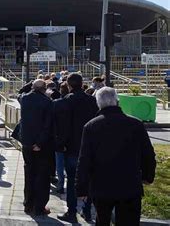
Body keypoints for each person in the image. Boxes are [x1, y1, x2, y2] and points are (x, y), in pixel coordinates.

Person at [76, 87, 156, 225]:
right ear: (117, 101)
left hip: (102, 185)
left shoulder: (91, 126)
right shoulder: (135, 124)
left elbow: (84, 159)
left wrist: (81, 187)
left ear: (98, 103)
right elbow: (148, 154)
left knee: (102, 220)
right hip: (130, 184)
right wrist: (148, 176)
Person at [56, 73, 99, 223]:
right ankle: (87, 211)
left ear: (68, 85)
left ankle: (72, 211)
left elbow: (62, 126)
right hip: (90, 146)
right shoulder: (92, 101)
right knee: (89, 180)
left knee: (73, 180)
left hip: (72, 147)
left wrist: (60, 144)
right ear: (82, 84)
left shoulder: (66, 101)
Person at [19, 79, 53, 216]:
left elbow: (20, 92)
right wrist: (39, 143)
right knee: (42, 175)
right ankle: (39, 206)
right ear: (44, 89)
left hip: (26, 142)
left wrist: (31, 84)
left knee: (29, 173)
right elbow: (47, 125)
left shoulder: (24, 99)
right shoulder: (47, 102)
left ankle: (28, 203)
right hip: (41, 144)